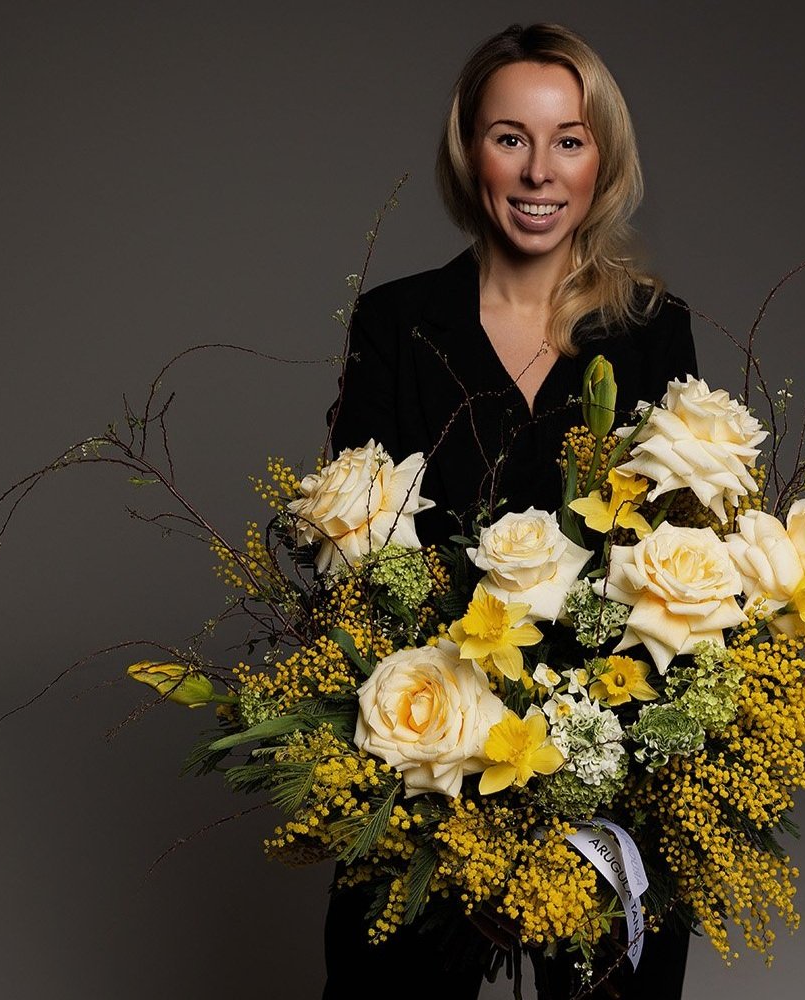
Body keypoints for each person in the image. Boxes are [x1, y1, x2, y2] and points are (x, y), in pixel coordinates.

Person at [323, 21, 697, 1000]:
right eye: (510, 137)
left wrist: (602, 728)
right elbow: (356, 547)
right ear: (469, 153)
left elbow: (684, 555)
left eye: (568, 139)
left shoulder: (653, 334)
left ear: (601, 158)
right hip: (437, 750)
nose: (539, 171)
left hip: (607, 760)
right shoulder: (398, 326)